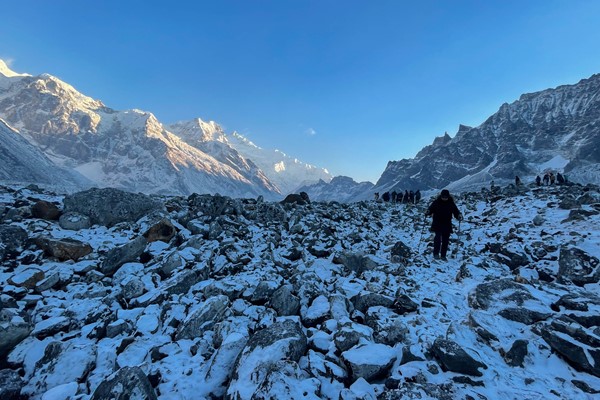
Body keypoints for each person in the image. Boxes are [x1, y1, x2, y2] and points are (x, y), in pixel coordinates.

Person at [425, 189, 462, 261]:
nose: (444, 198)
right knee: (437, 238)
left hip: (447, 223)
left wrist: (459, 216)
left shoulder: (451, 203)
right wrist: (428, 212)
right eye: (443, 197)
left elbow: (456, 212)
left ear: (448, 196)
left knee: (445, 240)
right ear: (441, 196)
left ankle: (443, 255)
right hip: (437, 223)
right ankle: (436, 253)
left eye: (446, 197)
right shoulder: (436, 202)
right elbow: (431, 209)